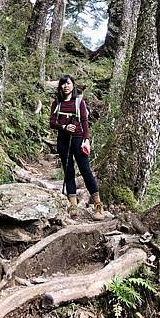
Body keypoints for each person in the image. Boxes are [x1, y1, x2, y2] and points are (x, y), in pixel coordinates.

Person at [50, 74, 104, 220]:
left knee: (85, 171)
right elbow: (52, 122)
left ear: (73, 85)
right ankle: (73, 206)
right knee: (68, 172)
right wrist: (64, 126)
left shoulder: (79, 102)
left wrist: (86, 140)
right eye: (63, 84)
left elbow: (85, 122)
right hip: (63, 140)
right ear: (60, 86)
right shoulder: (57, 103)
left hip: (78, 139)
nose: (65, 86)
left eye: (68, 83)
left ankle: (98, 205)